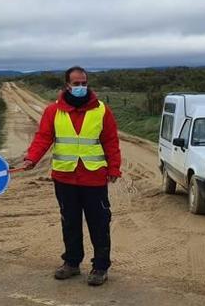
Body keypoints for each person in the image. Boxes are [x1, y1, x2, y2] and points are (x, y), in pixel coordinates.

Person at [18, 66, 122, 286]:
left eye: (84, 83)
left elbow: (111, 141)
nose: (81, 87)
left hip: (93, 178)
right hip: (65, 178)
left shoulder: (102, 110)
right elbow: (43, 137)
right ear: (67, 85)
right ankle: (72, 263)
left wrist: (114, 168)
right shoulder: (53, 111)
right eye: (76, 84)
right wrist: (31, 158)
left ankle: (100, 267)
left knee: (99, 223)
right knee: (70, 223)